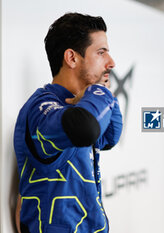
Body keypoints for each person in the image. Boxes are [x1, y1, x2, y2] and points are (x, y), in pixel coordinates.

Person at [13, 12, 123, 233]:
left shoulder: (77, 108)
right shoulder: (41, 106)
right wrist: (98, 91)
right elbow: (84, 128)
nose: (111, 63)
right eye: (101, 53)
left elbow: (111, 135)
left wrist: (99, 95)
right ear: (72, 58)